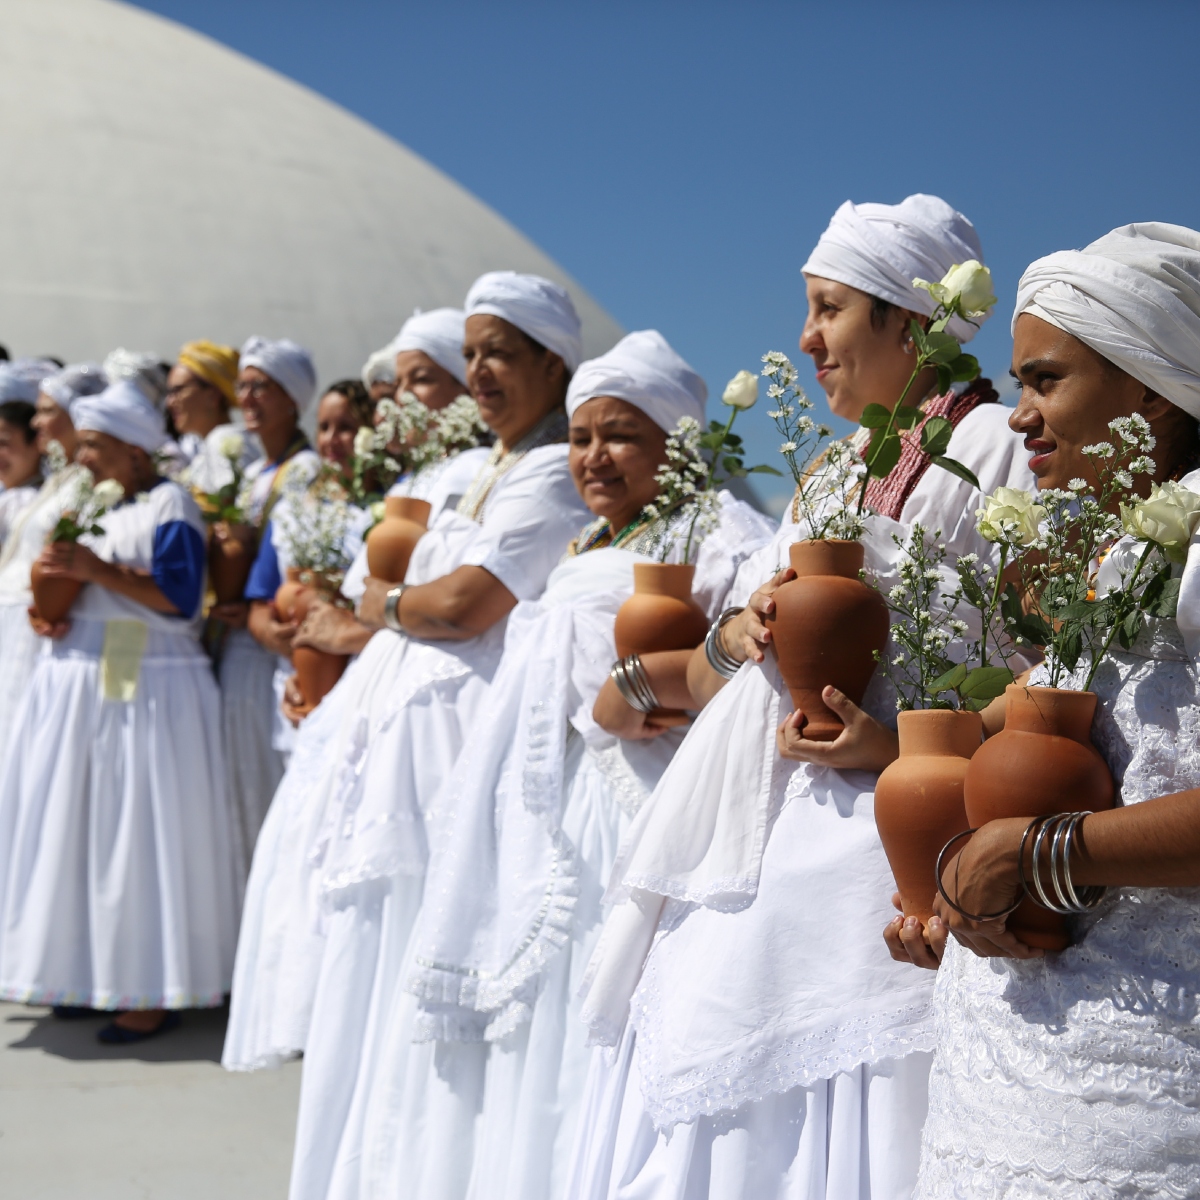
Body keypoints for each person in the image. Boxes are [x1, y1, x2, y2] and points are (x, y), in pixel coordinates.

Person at [568, 195, 1035, 1200]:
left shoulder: (997, 447)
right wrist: (733, 637)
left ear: (909, 322)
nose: (805, 336)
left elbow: (1042, 668)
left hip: (880, 841)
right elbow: (718, 666)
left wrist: (903, 746)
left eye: (827, 309)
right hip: (749, 825)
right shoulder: (825, 472)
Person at [372, 331, 774, 1200]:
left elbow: (748, 666)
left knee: (595, 1004)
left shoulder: (722, 531)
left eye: (621, 434)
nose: (593, 455)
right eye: (582, 435)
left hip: (627, 810)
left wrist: (646, 687)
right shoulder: (588, 541)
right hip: (541, 809)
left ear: (677, 443)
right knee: (532, 1014)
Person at [883, 223, 1200, 1200]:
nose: (1018, 417)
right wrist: (944, 888)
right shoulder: (1117, 561)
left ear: (1151, 387)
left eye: (1045, 381)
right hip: (1011, 1091)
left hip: (1141, 1100)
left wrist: (1040, 853)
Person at [284, 271, 592, 1200]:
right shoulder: (474, 469)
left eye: (500, 352)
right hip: (404, 761)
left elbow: (464, 607)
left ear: (553, 362)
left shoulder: (548, 473)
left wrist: (379, 604)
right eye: (473, 354)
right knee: (375, 977)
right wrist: (394, 607)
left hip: (462, 763)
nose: (481, 371)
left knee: (428, 974)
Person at [221, 307, 487, 1078]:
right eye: (396, 385)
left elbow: (466, 612)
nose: (400, 400)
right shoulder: (415, 480)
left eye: (422, 380)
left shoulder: (474, 481)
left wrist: (352, 628)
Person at [0, 381, 238, 1043]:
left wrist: (97, 572)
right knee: (81, 827)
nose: (86, 459)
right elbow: (59, 577)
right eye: (85, 446)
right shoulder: (84, 499)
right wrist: (52, 606)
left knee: (136, 830)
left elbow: (181, 599)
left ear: (137, 452)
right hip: (81, 676)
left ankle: (147, 987)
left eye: (99, 447)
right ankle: (88, 971)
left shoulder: (171, 504)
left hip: (148, 681)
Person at [213, 337, 320, 887]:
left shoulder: (305, 470)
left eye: (262, 386)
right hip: (238, 641)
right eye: (244, 385)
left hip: (267, 650)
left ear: (291, 399)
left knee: (263, 784)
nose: (248, 397)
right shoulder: (254, 473)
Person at [244, 379, 375, 752]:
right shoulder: (291, 512)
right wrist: (272, 634)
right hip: (293, 680)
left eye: (346, 427)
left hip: (358, 678)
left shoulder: (381, 511)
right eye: (324, 427)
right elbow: (258, 603)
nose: (333, 440)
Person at [0, 364, 107, 762]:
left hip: (33, 627)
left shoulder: (84, 485)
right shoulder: (59, 481)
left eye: (47, 410)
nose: (37, 420)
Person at [165, 340, 261, 490]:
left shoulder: (223, 440)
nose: (170, 402)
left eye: (178, 390)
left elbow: (234, 509)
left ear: (212, 396)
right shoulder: (206, 450)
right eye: (169, 393)